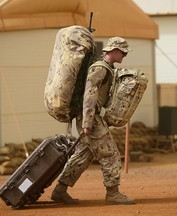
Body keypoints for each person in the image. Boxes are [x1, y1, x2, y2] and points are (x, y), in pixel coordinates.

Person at [50, 37, 135, 205]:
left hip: (88, 117)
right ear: (114, 51)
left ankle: (60, 190)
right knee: (110, 153)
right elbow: (89, 95)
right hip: (90, 118)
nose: (124, 55)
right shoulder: (99, 69)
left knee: (83, 155)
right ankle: (112, 193)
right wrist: (88, 123)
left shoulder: (106, 68)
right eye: (123, 52)